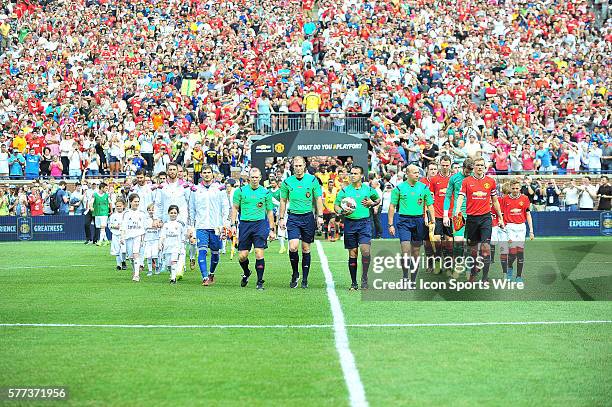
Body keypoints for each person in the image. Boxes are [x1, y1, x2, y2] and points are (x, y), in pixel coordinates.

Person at [454, 157, 504, 283]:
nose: (480, 167)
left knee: (486, 247)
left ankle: (485, 277)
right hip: (471, 219)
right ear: (474, 167)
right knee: (473, 250)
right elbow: (460, 197)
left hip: (485, 218)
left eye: (482, 165)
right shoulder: (466, 181)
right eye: (477, 165)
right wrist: (457, 210)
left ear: (484, 167)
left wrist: (501, 218)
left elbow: (495, 201)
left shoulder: (490, 182)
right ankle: (473, 271)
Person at [278, 156, 324, 289]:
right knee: (293, 246)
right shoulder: (287, 182)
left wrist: (319, 216)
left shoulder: (313, 180)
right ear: (292, 166)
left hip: (308, 217)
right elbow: (283, 201)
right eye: (295, 166)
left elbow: (318, 198)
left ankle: (305, 278)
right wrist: (281, 218)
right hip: (293, 217)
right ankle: (295, 273)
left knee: (305, 248)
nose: (298, 168)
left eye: (300, 165)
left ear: (304, 165)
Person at [334, 166, 381, 290]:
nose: (352, 175)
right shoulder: (344, 191)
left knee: (365, 251)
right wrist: (341, 212)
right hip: (350, 223)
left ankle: (364, 277)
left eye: (355, 173)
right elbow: (336, 205)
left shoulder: (368, 189)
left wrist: (372, 203)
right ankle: (354, 282)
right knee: (353, 253)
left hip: (364, 223)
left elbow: (378, 200)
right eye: (351, 173)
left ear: (361, 176)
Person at [387, 165, 435, 284]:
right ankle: (404, 277)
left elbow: (430, 206)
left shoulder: (424, 188)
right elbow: (392, 206)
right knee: (406, 250)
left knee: (416, 252)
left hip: (419, 221)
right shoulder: (398, 189)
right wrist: (390, 224)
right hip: (404, 221)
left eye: (418, 172)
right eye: (414, 172)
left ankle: (413, 280)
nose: (417, 175)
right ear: (407, 173)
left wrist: (432, 221)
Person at [231, 168, 276, 290]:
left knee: (258, 253)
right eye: (253, 177)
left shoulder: (266, 192)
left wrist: (272, 229)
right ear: (248, 178)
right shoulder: (240, 191)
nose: (255, 179)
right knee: (242, 256)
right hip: (245, 225)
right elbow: (234, 208)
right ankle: (246, 272)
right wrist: (233, 225)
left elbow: (270, 211)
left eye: (257, 177)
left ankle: (260, 282)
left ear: (260, 178)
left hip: (260, 224)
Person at [189, 165, 230, 286]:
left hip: (216, 226)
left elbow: (225, 207)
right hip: (201, 226)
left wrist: (224, 224)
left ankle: (211, 273)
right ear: (201, 174)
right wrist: (191, 226)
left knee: (215, 252)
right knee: (201, 250)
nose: (206, 174)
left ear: (213, 174)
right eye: (204, 172)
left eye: (208, 172)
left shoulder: (220, 189)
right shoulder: (195, 190)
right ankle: (205, 277)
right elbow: (192, 209)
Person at [443, 158, 474, 277]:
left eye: (471, 171)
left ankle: (469, 267)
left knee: (470, 243)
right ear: (463, 168)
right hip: (458, 214)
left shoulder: (474, 177)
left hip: (473, 213)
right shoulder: (454, 178)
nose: (469, 173)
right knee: (459, 241)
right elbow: (447, 196)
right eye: (467, 171)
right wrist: (446, 214)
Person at [500, 180, 535, 282]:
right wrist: (501, 222)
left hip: (521, 228)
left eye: (517, 188)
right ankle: (510, 266)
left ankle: (518, 276)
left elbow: (528, 214)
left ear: (520, 188)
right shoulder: (505, 199)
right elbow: (500, 213)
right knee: (513, 252)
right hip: (510, 227)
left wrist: (531, 231)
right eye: (513, 188)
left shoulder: (524, 198)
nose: (515, 190)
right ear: (510, 188)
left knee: (520, 252)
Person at [429, 156, 454, 272]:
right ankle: (438, 261)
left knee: (449, 240)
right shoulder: (434, 179)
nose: (444, 167)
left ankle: (448, 262)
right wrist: (428, 214)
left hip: (451, 214)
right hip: (437, 214)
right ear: (440, 164)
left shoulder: (455, 178)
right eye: (443, 165)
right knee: (437, 239)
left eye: (447, 165)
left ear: (450, 164)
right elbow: (430, 197)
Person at [160, 205, 195, 284]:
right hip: (167, 246)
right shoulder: (166, 224)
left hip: (176, 246)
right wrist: (160, 243)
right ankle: (172, 273)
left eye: (175, 213)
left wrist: (189, 237)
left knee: (174, 261)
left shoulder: (180, 224)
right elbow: (162, 235)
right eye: (171, 213)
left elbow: (184, 234)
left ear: (178, 214)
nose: (173, 214)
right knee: (168, 264)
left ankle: (173, 278)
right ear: (168, 213)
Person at [121, 194, 149, 282]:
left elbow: (144, 227)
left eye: (138, 201)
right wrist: (122, 237)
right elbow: (123, 227)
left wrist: (143, 238)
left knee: (136, 253)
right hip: (129, 237)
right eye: (135, 201)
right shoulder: (126, 213)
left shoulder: (142, 213)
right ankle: (135, 270)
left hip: (138, 235)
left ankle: (137, 275)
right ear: (130, 202)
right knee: (131, 257)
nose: (137, 203)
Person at [108, 197, 127, 271]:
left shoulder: (126, 214)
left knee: (124, 250)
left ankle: (124, 261)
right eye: (117, 206)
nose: (119, 207)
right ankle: (118, 265)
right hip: (115, 235)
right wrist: (115, 226)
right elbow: (110, 225)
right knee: (117, 250)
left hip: (124, 235)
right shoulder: (113, 216)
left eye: (120, 206)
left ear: (123, 206)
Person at [143, 203, 161, 276]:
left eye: (152, 210)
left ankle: (157, 266)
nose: (151, 211)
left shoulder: (158, 219)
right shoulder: (146, 219)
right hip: (148, 239)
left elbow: (160, 227)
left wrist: (157, 225)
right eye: (149, 210)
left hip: (155, 239)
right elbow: (144, 228)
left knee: (155, 255)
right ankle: (150, 270)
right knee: (148, 256)